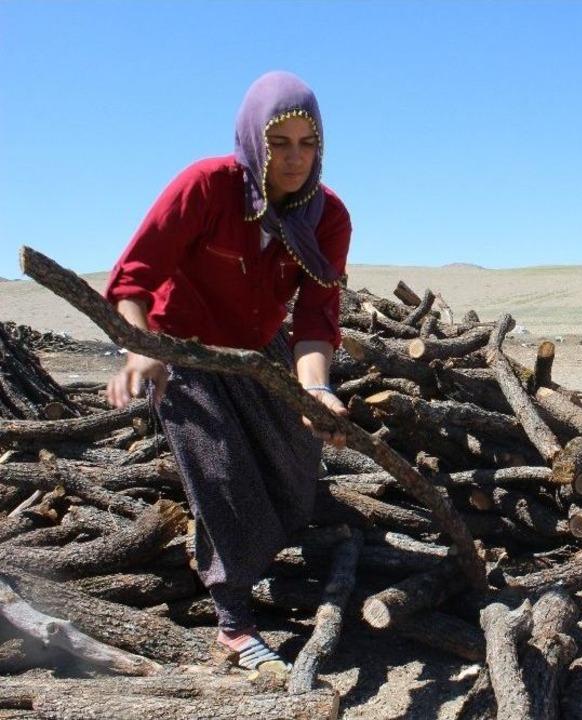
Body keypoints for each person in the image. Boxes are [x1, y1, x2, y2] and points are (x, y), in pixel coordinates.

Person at [104, 71, 351, 669]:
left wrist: (314, 388)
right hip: (182, 351)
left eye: (306, 144)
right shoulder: (207, 186)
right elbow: (131, 278)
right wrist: (143, 349)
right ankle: (233, 625)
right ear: (252, 140)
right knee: (224, 471)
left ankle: (245, 561)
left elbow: (316, 318)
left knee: (297, 468)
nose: (293, 160)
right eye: (280, 144)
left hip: (260, 353)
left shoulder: (327, 217)